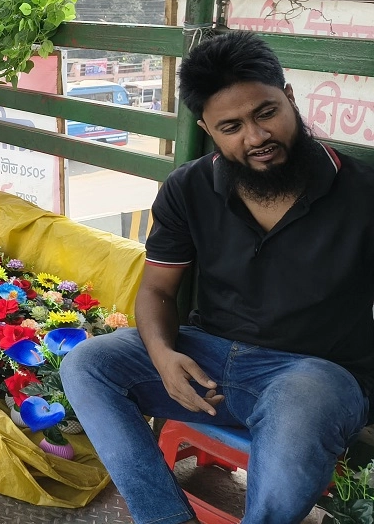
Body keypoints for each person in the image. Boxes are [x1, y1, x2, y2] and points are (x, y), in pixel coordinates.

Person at [61, 31, 374, 524]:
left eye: (266, 113)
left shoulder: (362, 193)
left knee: (303, 401)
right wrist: (164, 358)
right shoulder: (188, 188)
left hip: (313, 374)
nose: (255, 137)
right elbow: (158, 289)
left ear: (289, 99)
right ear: (208, 128)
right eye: (231, 126)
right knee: (88, 364)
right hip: (210, 361)